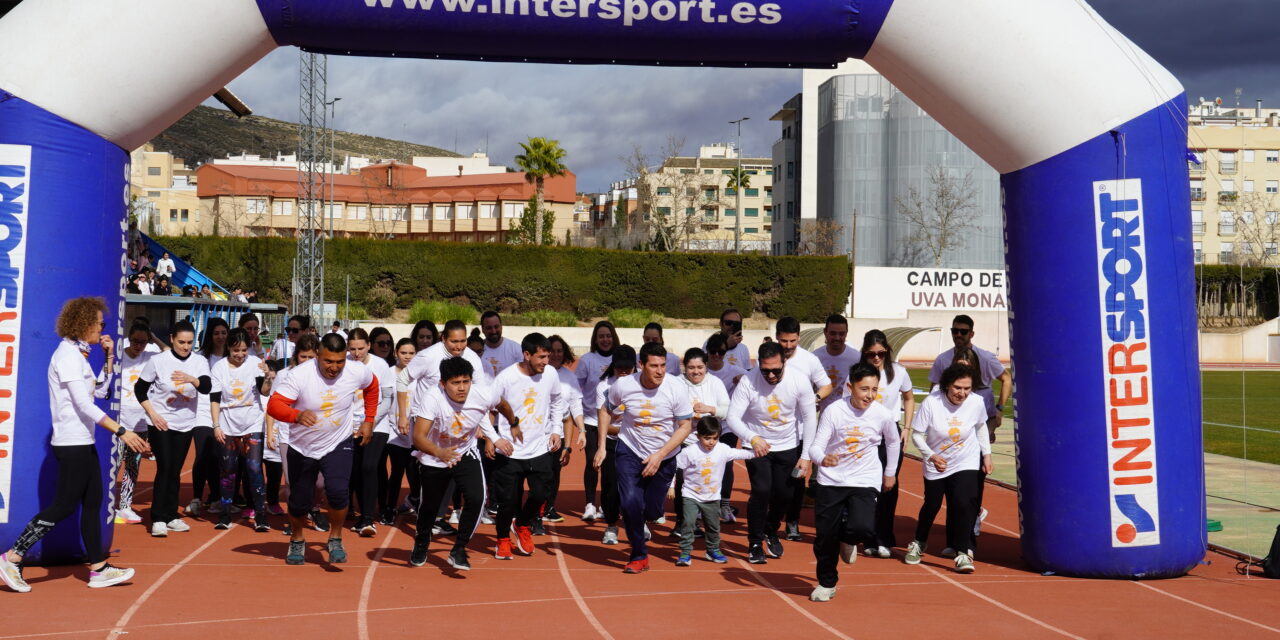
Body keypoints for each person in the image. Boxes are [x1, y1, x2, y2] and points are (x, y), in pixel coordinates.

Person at [0, 297, 148, 593]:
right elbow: (83, 405)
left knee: (93, 503)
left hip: (84, 440)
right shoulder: (66, 356)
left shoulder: (79, 354)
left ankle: (98, 569)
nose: (102, 328)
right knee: (65, 505)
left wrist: (107, 358)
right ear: (83, 324)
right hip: (71, 443)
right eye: (99, 323)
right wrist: (121, 431)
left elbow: (101, 393)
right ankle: (12, 557)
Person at [267, 333, 380, 565]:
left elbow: (373, 386)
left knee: (338, 493)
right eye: (328, 361)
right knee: (299, 501)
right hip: (302, 447)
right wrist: (296, 415)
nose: (334, 367)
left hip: (338, 443)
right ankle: (297, 539)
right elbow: (274, 405)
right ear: (318, 355)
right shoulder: (300, 375)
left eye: (339, 362)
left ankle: (335, 537)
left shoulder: (356, 370)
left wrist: (369, 419)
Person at [595, 342, 693, 574]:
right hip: (630, 450)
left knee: (652, 512)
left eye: (663, 365)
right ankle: (639, 555)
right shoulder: (624, 385)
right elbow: (604, 409)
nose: (660, 371)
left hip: (664, 455)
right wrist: (601, 447)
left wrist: (659, 456)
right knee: (630, 503)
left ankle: (647, 520)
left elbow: (685, 426)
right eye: (654, 366)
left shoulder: (676, 388)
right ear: (641, 365)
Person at [411, 356, 516, 571]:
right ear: (443, 384)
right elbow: (418, 437)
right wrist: (439, 452)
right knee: (430, 506)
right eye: (455, 383)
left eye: (465, 381)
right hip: (434, 456)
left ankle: (459, 548)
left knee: (477, 499)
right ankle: (422, 541)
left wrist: (513, 424)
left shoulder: (483, 393)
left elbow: (503, 405)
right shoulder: (432, 398)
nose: (462, 388)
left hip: (465, 452)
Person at [807, 362, 901, 602]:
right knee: (825, 537)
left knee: (862, 527)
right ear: (850, 387)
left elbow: (892, 442)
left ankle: (848, 539)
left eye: (874, 389)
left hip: (864, 477)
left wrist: (890, 472)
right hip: (832, 479)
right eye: (864, 389)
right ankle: (827, 583)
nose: (869, 395)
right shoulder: (834, 411)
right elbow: (816, 446)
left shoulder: (882, 414)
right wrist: (822, 459)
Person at [725, 341, 817, 564]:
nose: (771, 375)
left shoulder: (799, 380)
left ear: (784, 362)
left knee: (785, 495)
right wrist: (753, 438)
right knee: (762, 491)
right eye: (766, 370)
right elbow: (732, 417)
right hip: (757, 445)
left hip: (788, 444)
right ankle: (755, 542)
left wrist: (806, 456)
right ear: (759, 365)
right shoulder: (748, 381)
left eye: (776, 370)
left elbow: (809, 417)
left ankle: (770, 529)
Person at [485, 333, 568, 559]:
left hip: (539, 447)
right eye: (541, 357)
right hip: (510, 451)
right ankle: (502, 539)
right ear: (527, 354)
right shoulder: (506, 378)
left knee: (541, 494)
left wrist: (556, 431)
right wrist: (493, 438)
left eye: (547, 356)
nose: (545, 361)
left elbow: (557, 401)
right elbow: (485, 408)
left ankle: (522, 525)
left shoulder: (550, 374)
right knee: (508, 503)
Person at [928, 313, 1011, 536]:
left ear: (971, 334)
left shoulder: (985, 357)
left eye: (963, 331)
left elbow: (1006, 379)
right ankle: (964, 519)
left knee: (976, 473)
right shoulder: (943, 359)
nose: (958, 335)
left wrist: (1000, 410)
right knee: (954, 473)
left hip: (981, 420)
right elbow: (933, 390)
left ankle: (972, 516)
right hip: (954, 423)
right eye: (955, 331)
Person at [904, 362, 992, 573]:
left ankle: (962, 552)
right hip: (937, 461)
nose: (962, 393)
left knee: (964, 503)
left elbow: (980, 428)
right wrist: (931, 456)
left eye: (966, 388)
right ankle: (919, 541)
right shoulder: (932, 403)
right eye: (957, 388)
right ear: (946, 386)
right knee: (932, 505)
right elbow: (917, 434)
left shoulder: (976, 403)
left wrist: (986, 455)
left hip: (966, 460)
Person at [401, 321, 488, 531]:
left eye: (463, 341)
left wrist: (480, 423)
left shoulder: (472, 358)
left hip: (458, 423)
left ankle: (437, 517)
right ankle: (424, 510)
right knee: (431, 471)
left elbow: (480, 391)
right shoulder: (427, 356)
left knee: (452, 464)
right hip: (427, 422)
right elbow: (403, 379)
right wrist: (403, 414)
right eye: (454, 342)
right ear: (443, 339)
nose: (459, 347)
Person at [137, 320, 211, 537]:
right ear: (172, 339)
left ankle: (171, 515)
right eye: (181, 342)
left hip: (185, 422)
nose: (185, 347)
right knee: (165, 466)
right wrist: (153, 413)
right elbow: (140, 389)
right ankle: (158, 517)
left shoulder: (199, 362)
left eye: (189, 342)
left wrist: (192, 379)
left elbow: (206, 387)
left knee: (176, 469)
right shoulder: (158, 361)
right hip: (160, 421)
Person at [773, 316, 833, 541]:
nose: (787, 346)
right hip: (773, 429)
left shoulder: (809, 360)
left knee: (796, 479)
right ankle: (773, 518)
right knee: (773, 483)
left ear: (799, 337)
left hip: (800, 431)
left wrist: (814, 397)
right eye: (783, 341)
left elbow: (827, 385)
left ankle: (792, 522)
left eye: (792, 341)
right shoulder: (769, 355)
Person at [210, 328, 273, 532]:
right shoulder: (219, 368)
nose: (240, 355)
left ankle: (260, 515)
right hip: (228, 421)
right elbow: (215, 399)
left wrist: (268, 377)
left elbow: (264, 391)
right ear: (228, 347)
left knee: (254, 468)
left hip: (252, 420)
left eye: (244, 350)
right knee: (228, 469)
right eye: (236, 350)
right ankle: (225, 513)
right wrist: (216, 424)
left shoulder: (255, 364)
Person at [859, 329, 915, 558]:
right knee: (866, 487)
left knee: (888, 485)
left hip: (891, 434)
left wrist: (907, 429)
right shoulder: (859, 373)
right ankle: (868, 537)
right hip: (864, 435)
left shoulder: (898, 372)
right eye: (872, 354)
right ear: (865, 353)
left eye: (881, 353)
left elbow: (909, 398)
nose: (876, 358)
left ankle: (885, 538)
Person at [673, 417, 755, 566]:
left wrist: (758, 452)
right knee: (689, 524)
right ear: (698, 436)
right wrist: (672, 487)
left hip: (712, 497)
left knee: (713, 526)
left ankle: (712, 550)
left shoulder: (722, 449)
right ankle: (685, 553)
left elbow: (740, 454)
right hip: (691, 495)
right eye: (707, 438)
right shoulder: (690, 451)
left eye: (714, 438)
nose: (711, 442)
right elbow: (675, 468)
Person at [263, 335, 321, 525]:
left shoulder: (325, 376)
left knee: (319, 482)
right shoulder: (283, 375)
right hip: (288, 434)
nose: (307, 361)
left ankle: (313, 508)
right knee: (290, 480)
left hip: (316, 434)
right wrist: (270, 432)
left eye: (312, 357)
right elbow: (273, 405)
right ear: (296, 356)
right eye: (303, 357)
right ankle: (295, 520)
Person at [672, 348, 729, 537]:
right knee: (682, 480)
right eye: (691, 368)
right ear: (684, 367)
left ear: (706, 366)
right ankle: (682, 521)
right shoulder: (675, 383)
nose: (695, 372)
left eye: (699, 367)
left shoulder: (716, 383)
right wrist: (686, 412)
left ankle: (701, 520)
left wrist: (709, 409)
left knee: (704, 480)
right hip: (684, 438)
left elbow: (727, 410)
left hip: (708, 441)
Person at [346, 328, 396, 536]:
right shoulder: (344, 363)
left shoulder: (380, 365)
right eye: (352, 349)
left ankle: (368, 518)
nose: (357, 353)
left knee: (369, 466)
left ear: (368, 345)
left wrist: (370, 420)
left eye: (361, 348)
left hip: (377, 424)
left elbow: (387, 398)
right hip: (350, 425)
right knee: (355, 469)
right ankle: (360, 513)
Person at [114, 320, 159, 525]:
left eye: (142, 341)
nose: (138, 345)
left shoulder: (151, 356)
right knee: (113, 464)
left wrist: (154, 338)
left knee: (132, 465)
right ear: (128, 338)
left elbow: (169, 352)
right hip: (119, 421)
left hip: (140, 422)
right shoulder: (119, 355)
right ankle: (105, 504)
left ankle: (125, 506)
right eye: (134, 341)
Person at [576, 321, 620, 522]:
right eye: (601, 336)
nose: (605, 339)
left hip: (617, 423)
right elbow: (577, 389)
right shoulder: (587, 360)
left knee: (612, 466)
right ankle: (590, 504)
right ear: (595, 339)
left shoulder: (619, 358)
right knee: (593, 463)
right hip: (592, 420)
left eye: (608, 336)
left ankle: (606, 504)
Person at [592, 346, 634, 544]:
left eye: (628, 368)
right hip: (612, 441)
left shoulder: (642, 384)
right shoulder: (604, 387)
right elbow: (604, 421)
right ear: (613, 366)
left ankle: (638, 521)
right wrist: (601, 447)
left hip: (637, 443)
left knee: (637, 486)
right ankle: (611, 526)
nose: (624, 372)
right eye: (620, 368)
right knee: (611, 487)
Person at [703, 333, 746, 523]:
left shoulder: (735, 370)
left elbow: (753, 377)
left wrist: (742, 381)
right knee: (705, 464)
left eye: (720, 352)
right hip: (705, 426)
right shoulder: (702, 371)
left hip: (727, 425)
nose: (716, 356)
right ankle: (702, 503)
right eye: (712, 352)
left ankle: (725, 505)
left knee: (726, 463)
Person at [189, 318, 229, 517]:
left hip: (225, 413)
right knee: (204, 455)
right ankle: (197, 497)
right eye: (216, 333)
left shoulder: (233, 357)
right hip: (202, 412)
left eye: (223, 332)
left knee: (218, 458)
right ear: (210, 336)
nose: (220, 337)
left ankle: (215, 497)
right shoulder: (200, 358)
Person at [543, 334, 583, 526]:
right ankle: (535, 509)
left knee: (554, 472)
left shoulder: (569, 377)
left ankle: (549, 507)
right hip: (538, 433)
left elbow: (573, 409)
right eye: (552, 351)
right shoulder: (539, 373)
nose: (556, 355)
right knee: (539, 474)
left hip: (557, 434)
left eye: (560, 351)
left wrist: (569, 444)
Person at [383, 338, 418, 524]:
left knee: (414, 472)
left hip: (416, 433)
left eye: (411, 353)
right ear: (396, 353)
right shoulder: (389, 374)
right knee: (396, 471)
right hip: (394, 431)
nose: (407, 357)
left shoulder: (419, 375)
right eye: (404, 353)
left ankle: (415, 501)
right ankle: (390, 508)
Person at [813, 315, 860, 413]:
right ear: (825, 332)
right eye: (833, 333)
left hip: (849, 416)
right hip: (824, 415)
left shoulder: (857, 358)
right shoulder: (814, 357)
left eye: (841, 334)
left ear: (846, 333)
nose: (837, 338)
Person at [479, 311, 522, 379]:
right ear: (483, 329)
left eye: (496, 327)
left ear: (501, 327)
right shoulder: (476, 350)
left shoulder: (516, 349)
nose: (493, 331)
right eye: (489, 328)